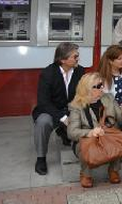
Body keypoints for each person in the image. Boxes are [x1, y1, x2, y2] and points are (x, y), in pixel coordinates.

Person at [67, 72, 122, 187]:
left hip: (108, 134)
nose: (102, 88)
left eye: (102, 85)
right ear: (87, 89)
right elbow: (71, 132)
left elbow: (120, 121)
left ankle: (114, 170)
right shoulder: (76, 106)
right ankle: (86, 174)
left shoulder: (109, 98)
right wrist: (90, 132)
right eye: (98, 86)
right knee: (84, 146)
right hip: (88, 138)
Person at [32, 42, 85, 175]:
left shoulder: (80, 71)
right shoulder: (48, 73)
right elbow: (43, 102)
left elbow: (82, 94)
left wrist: (74, 113)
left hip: (71, 109)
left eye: (77, 56)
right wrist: (62, 117)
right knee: (42, 122)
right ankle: (41, 158)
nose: (78, 59)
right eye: (75, 56)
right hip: (51, 110)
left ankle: (65, 133)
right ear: (62, 60)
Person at [97, 45, 122, 116]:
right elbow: (106, 99)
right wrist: (121, 110)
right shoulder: (102, 76)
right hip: (108, 110)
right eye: (120, 59)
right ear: (110, 61)